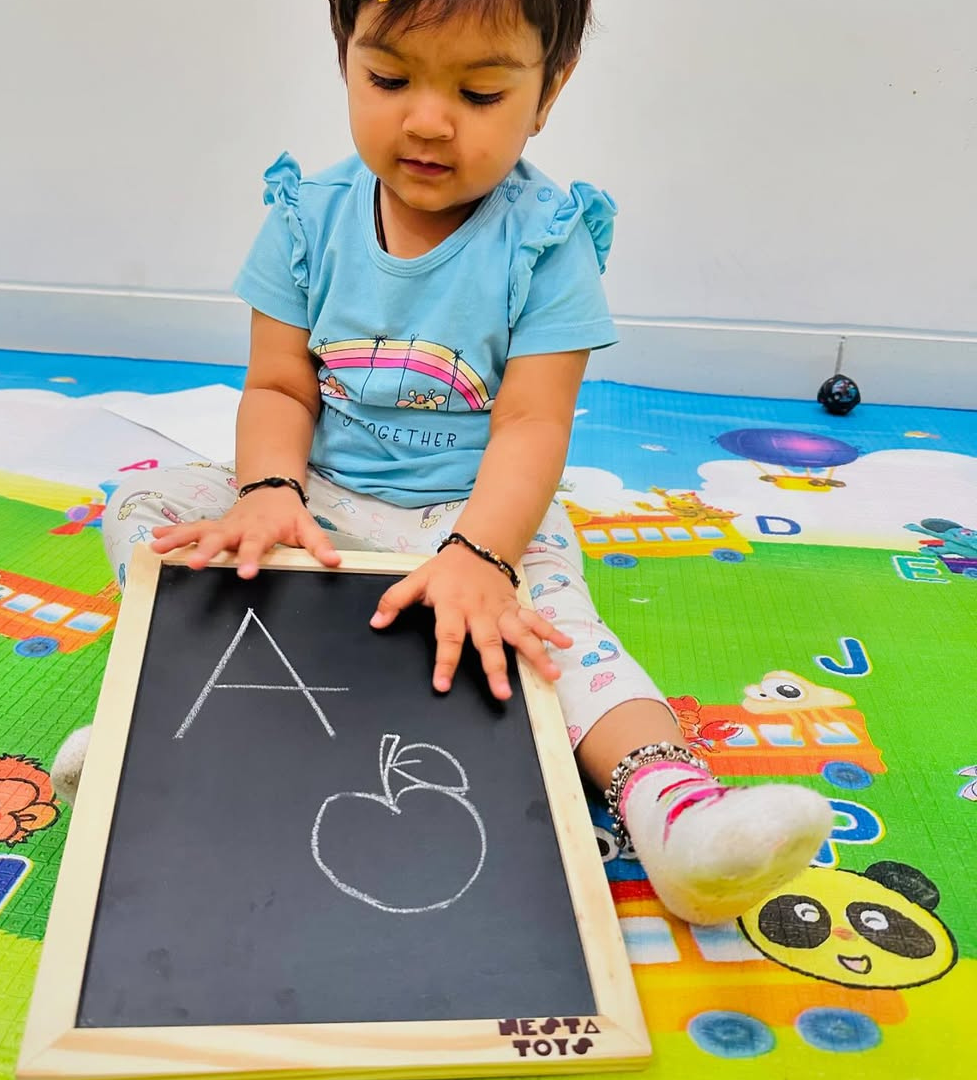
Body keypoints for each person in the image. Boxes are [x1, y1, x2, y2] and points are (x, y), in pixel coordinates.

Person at [52, 0, 832, 926]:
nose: (426, 120)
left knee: (562, 644)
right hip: (324, 506)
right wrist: (267, 491)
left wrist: (484, 555)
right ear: (345, 58)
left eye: (480, 90)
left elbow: (533, 425)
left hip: (484, 518)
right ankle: (184, 714)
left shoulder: (546, 242)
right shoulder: (306, 219)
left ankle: (679, 819)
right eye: (388, 79)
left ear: (548, 93)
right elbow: (278, 390)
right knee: (151, 506)